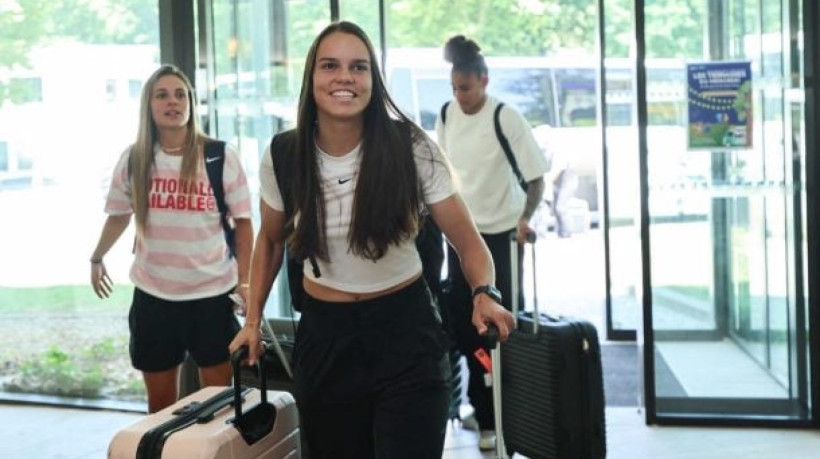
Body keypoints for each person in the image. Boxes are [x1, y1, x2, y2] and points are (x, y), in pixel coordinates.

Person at [229, 21, 515, 459]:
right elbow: (269, 242)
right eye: (331, 66)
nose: (345, 77)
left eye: (358, 67)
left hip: (406, 334)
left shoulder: (411, 147)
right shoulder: (285, 155)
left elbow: (469, 242)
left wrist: (485, 293)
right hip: (325, 338)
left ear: (372, 80)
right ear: (312, 78)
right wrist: (252, 323)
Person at [89, 64, 253, 413]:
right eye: (161, 95)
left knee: (219, 406)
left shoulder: (219, 156)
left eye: (181, 94)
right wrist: (97, 256)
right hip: (154, 297)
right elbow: (119, 214)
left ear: (191, 104)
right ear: (148, 106)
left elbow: (243, 224)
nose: (172, 101)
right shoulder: (135, 159)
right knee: (160, 408)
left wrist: (246, 283)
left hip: (211, 296)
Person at [435, 35, 549, 450]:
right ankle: (482, 411)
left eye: (465, 88)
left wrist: (524, 220)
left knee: (496, 329)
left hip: (500, 237)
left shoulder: (506, 117)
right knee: (464, 328)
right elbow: (441, 177)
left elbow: (536, 178)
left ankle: (501, 417)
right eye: (454, 88)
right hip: (461, 236)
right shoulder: (446, 115)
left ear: (484, 81)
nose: (459, 96)